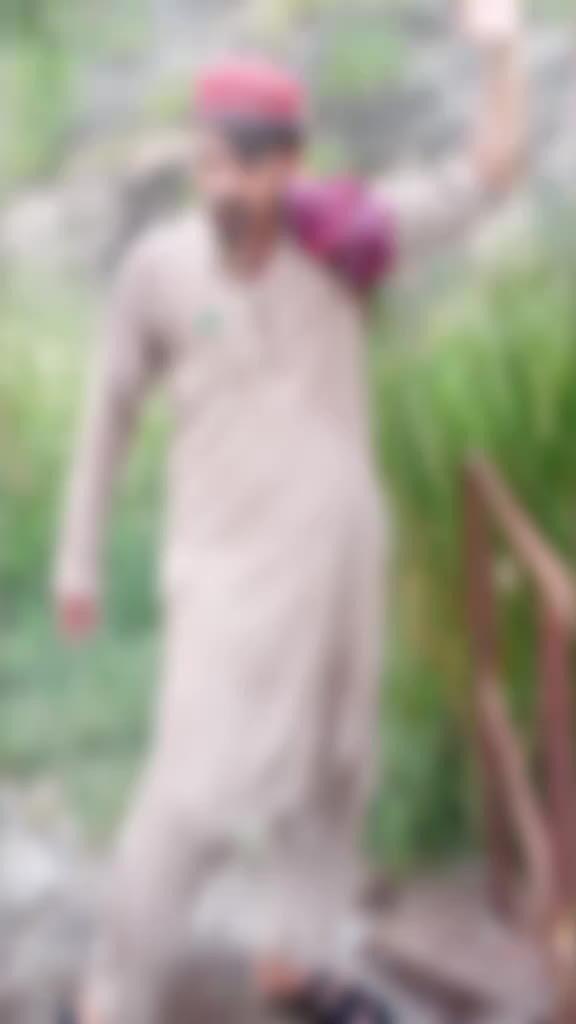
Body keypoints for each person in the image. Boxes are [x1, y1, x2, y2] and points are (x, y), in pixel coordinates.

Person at [54, 1, 526, 1021]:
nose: (219, 186)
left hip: (343, 564)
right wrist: (78, 558)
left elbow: (490, 173)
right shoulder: (159, 269)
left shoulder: (345, 238)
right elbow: (108, 414)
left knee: (335, 770)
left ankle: (297, 960)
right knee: (191, 797)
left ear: (287, 165)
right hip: (224, 576)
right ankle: (115, 994)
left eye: (240, 167)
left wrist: (502, 55)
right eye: (207, 163)